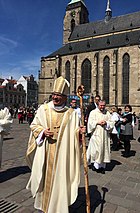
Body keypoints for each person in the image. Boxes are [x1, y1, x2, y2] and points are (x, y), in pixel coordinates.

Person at [26, 76, 85, 213]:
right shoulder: (43, 109)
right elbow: (34, 125)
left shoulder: (72, 114)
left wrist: (80, 133)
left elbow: (74, 134)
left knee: (60, 180)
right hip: (45, 153)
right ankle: (43, 207)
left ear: (65, 97)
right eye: (54, 95)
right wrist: (42, 132)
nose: (55, 98)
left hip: (62, 156)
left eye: (59, 95)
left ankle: (58, 207)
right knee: (44, 180)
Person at [86, 100, 114, 174]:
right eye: (101, 105)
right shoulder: (93, 112)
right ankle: (95, 165)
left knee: (104, 150)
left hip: (105, 135)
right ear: (98, 105)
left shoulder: (107, 113)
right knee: (96, 150)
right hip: (96, 134)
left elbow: (112, 122)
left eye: (103, 105)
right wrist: (97, 122)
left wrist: (106, 123)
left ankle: (102, 166)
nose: (102, 107)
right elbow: (90, 123)